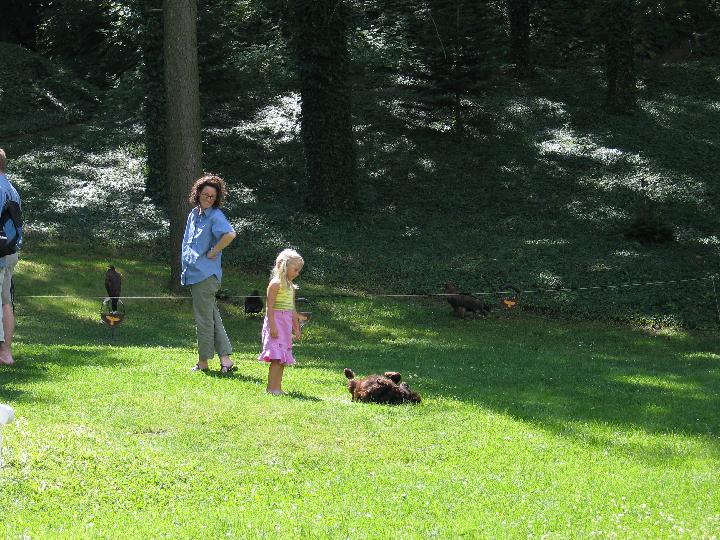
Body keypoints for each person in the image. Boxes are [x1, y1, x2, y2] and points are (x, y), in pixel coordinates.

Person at [181, 174, 237, 374]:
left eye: (212, 196)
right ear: (198, 193)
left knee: (203, 320)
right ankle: (226, 360)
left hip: (205, 276)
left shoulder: (215, 216)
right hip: (195, 274)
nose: (208, 198)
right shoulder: (193, 214)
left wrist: (214, 250)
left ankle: (203, 362)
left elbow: (230, 234)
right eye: (205, 194)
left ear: (216, 199)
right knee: (211, 317)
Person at [258, 249, 304, 395]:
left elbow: (292, 308)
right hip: (276, 323)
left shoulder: (290, 286)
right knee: (276, 357)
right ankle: (271, 388)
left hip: (285, 325)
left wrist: (296, 327)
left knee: (282, 357)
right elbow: (269, 307)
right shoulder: (275, 284)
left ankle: (277, 388)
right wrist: (272, 326)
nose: (297, 273)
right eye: (295, 269)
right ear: (284, 266)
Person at [0, 149, 22, 367]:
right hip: (10, 252)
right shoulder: (12, 190)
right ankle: (6, 351)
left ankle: (4, 352)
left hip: (0, 254)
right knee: (5, 302)